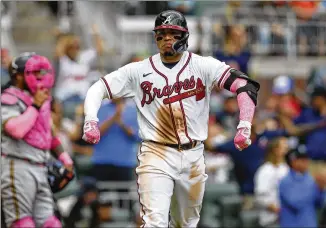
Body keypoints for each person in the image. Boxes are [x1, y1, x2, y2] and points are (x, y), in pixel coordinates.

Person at [82, 10, 260, 227]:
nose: (166, 38)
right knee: (154, 222)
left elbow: (245, 85)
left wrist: (244, 124)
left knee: (185, 224)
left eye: (172, 33)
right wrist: (91, 119)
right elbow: (97, 88)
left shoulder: (203, 65)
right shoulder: (139, 70)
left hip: (193, 154)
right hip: (156, 153)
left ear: (184, 36)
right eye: (162, 33)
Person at [1, 52, 74, 228]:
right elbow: (15, 129)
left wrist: (64, 158)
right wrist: (35, 106)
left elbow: (47, 132)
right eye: (34, 73)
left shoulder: (41, 98)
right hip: (17, 165)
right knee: (22, 223)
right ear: (18, 76)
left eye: (41, 73)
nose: (40, 77)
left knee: (51, 224)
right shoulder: (8, 97)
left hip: (41, 166)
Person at [279, 146, 326, 228]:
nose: (306, 162)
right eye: (302, 160)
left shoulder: (310, 179)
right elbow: (296, 203)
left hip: (310, 224)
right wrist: (315, 189)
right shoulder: (285, 181)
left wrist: (321, 189)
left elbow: (319, 204)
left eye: (306, 159)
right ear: (293, 162)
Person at [254, 137, 289, 227]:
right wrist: (277, 210)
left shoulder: (285, 168)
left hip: (287, 218)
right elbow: (260, 197)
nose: (287, 149)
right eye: (283, 147)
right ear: (275, 150)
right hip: (270, 219)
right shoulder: (265, 170)